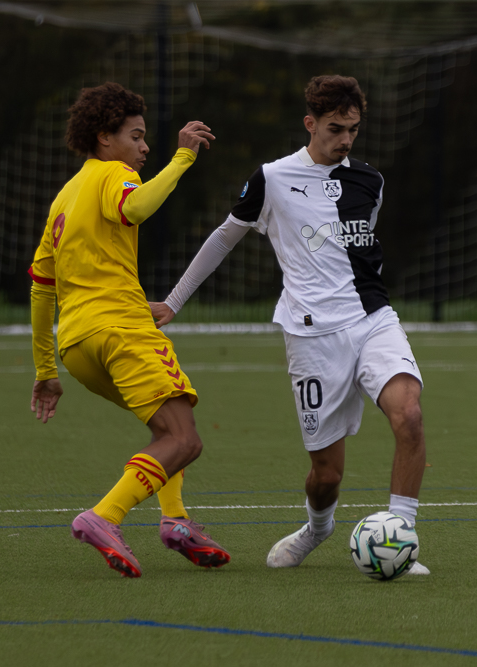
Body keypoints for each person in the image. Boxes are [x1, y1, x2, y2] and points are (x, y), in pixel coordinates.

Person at [150, 75, 429, 574]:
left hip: (372, 320)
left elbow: (357, 252)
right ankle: (317, 529)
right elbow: (223, 238)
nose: (345, 139)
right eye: (335, 128)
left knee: (408, 415)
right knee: (326, 475)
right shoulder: (272, 179)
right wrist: (173, 302)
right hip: (311, 337)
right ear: (310, 123)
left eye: (353, 129)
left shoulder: (370, 182)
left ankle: (401, 543)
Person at [28, 82, 230, 578]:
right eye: (136, 137)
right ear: (104, 138)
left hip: (77, 346)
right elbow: (136, 207)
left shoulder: (63, 198)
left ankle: (176, 522)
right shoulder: (113, 176)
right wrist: (182, 158)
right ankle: (104, 516)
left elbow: (40, 288)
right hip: (121, 329)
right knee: (185, 439)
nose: (144, 148)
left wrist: (45, 370)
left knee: (167, 426)